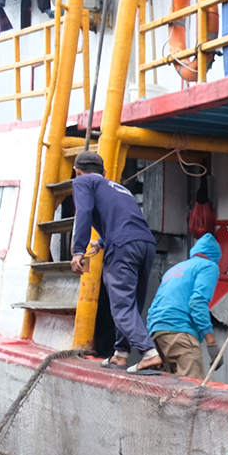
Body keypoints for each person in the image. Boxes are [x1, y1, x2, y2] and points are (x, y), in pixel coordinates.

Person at [68, 149, 162, 372]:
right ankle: (120, 353)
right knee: (132, 304)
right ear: (105, 171)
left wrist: (78, 250)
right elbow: (123, 219)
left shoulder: (83, 182)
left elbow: (83, 212)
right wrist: (100, 242)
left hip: (122, 246)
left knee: (121, 305)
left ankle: (149, 353)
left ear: (76, 171)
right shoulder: (120, 189)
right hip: (145, 243)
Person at [144, 233, 221, 379]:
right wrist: (211, 343)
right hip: (180, 331)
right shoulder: (208, 266)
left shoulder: (174, 269)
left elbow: (156, 303)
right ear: (215, 256)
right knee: (191, 390)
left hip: (157, 332)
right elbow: (197, 302)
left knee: (171, 391)